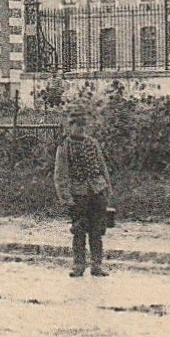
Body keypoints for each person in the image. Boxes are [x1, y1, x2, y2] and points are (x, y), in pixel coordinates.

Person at [53, 103, 113, 277]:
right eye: (76, 124)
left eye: (82, 125)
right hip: (78, 194)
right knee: (79, 230)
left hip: (96, 191)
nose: (80, 128)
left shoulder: (92, 143)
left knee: (97, 230)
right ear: (70, 125)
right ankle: (79, 264)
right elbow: (60, 174)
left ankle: (96, 264)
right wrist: (66, 198)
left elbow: (102, 167)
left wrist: (106, 189)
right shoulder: (64, 147)